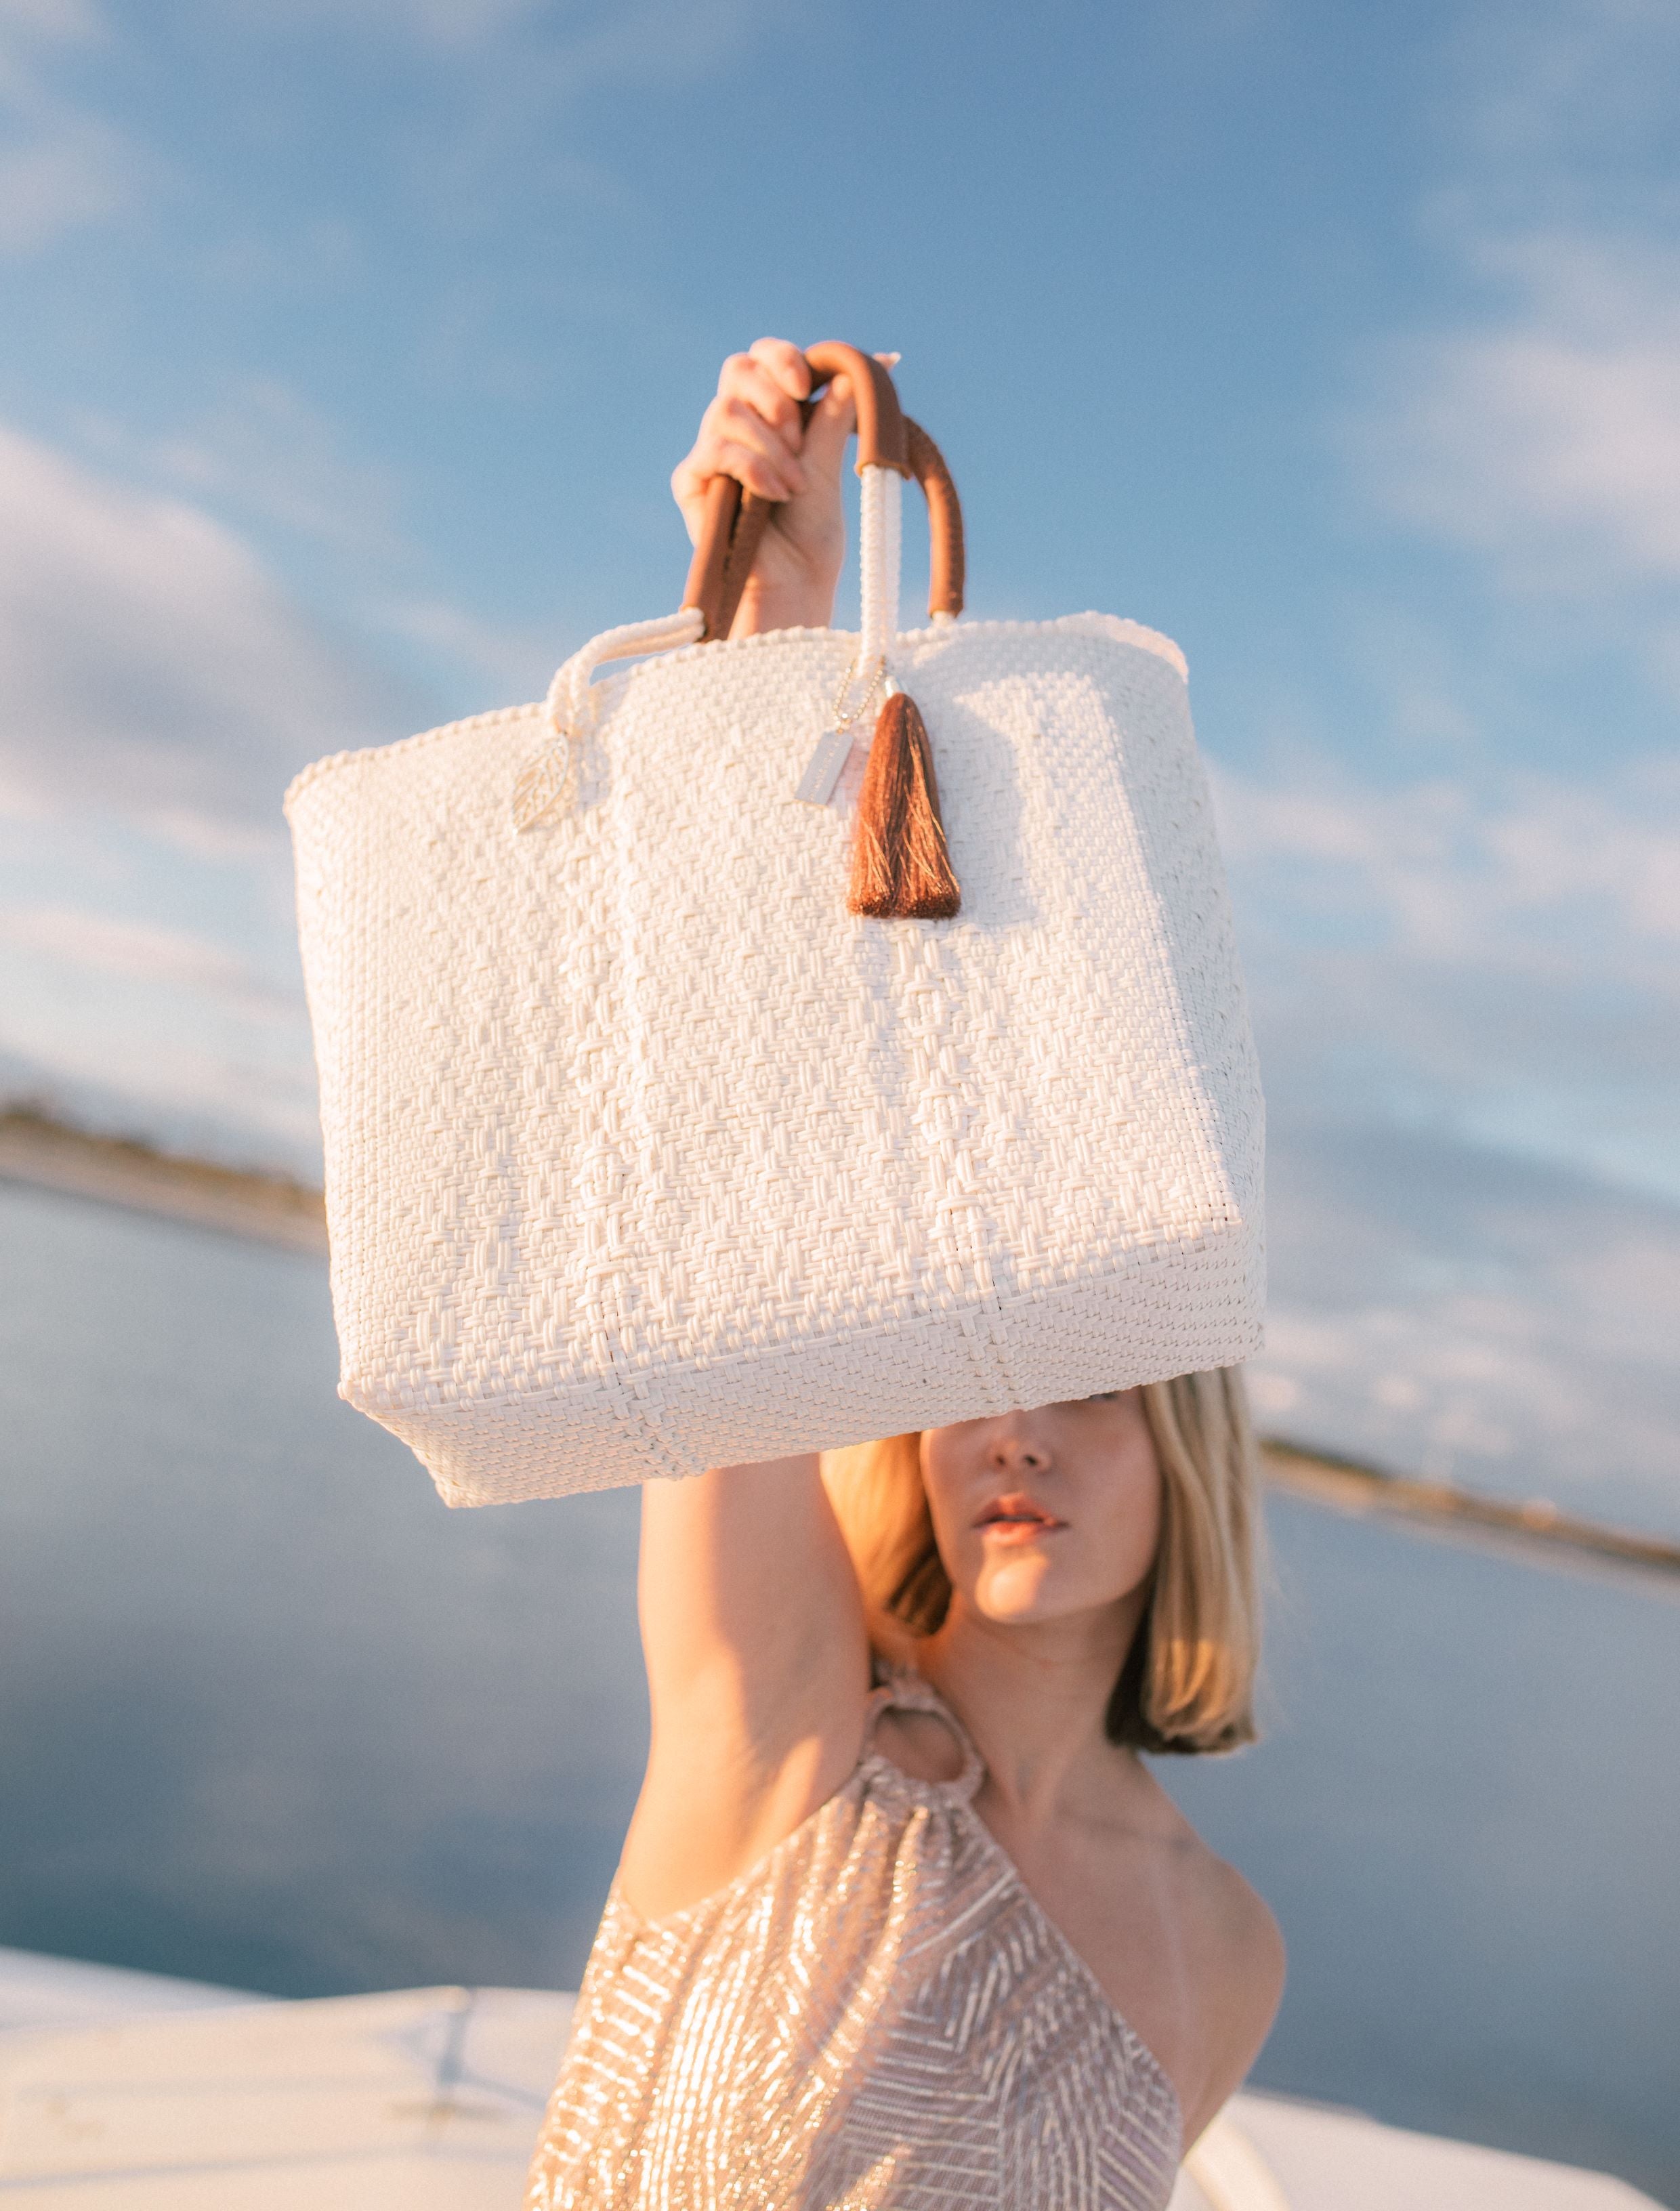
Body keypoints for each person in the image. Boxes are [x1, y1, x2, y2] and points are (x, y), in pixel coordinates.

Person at [525, 342, 1284, 2211]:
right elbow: (724, 1224)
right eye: (968, 1386)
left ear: (1188, 1449)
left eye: (1091, 1386)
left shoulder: (1229, 1946)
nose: (1011, 1427)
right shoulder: (787, 1728)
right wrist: (773, 650)